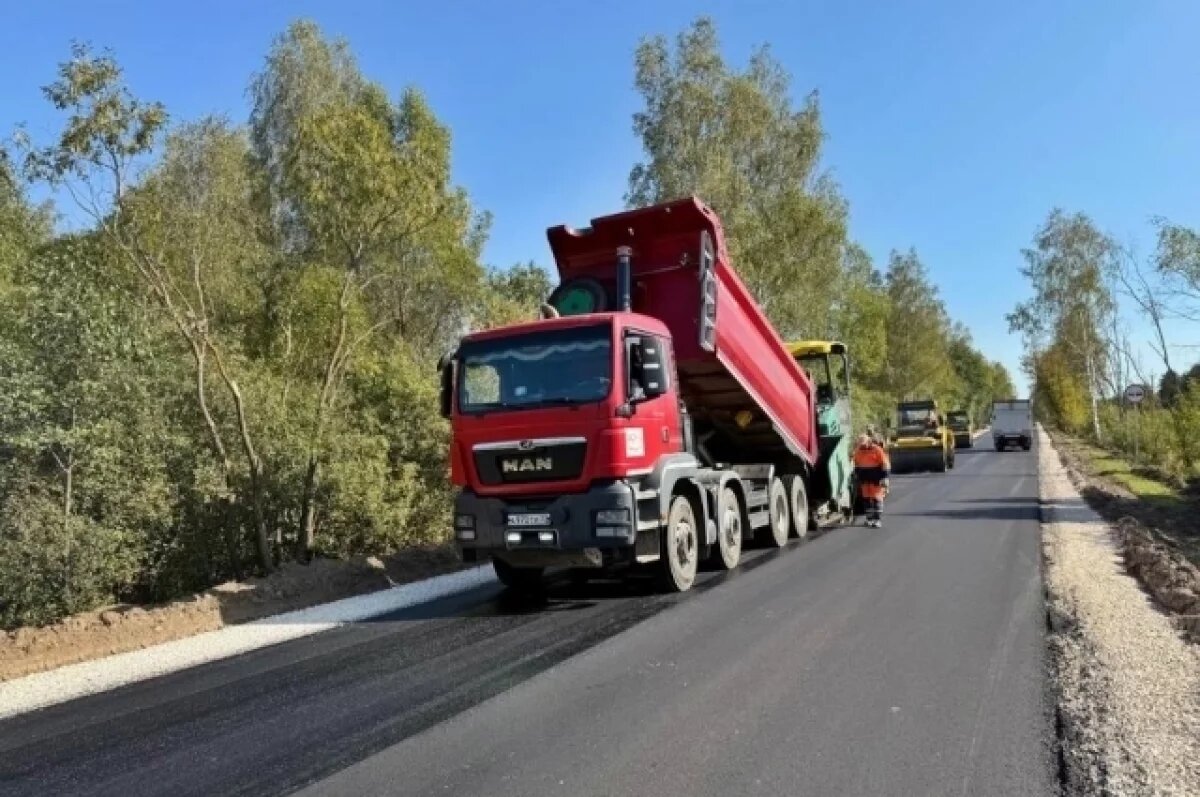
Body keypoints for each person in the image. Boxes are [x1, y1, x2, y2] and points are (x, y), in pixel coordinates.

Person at [853, 432, 890, 528]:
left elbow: (884, 464)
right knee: (866, 500)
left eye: (863, 444)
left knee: (877, 498)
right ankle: (869, 519)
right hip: (865, 479)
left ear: (868, 441)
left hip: (876, 479)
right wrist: (857, 476)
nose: (862, 446)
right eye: (860, 444)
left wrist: (885, 477)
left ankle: (877, 520)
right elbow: (856, 464)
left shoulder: (877, 450)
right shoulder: (858, 451)